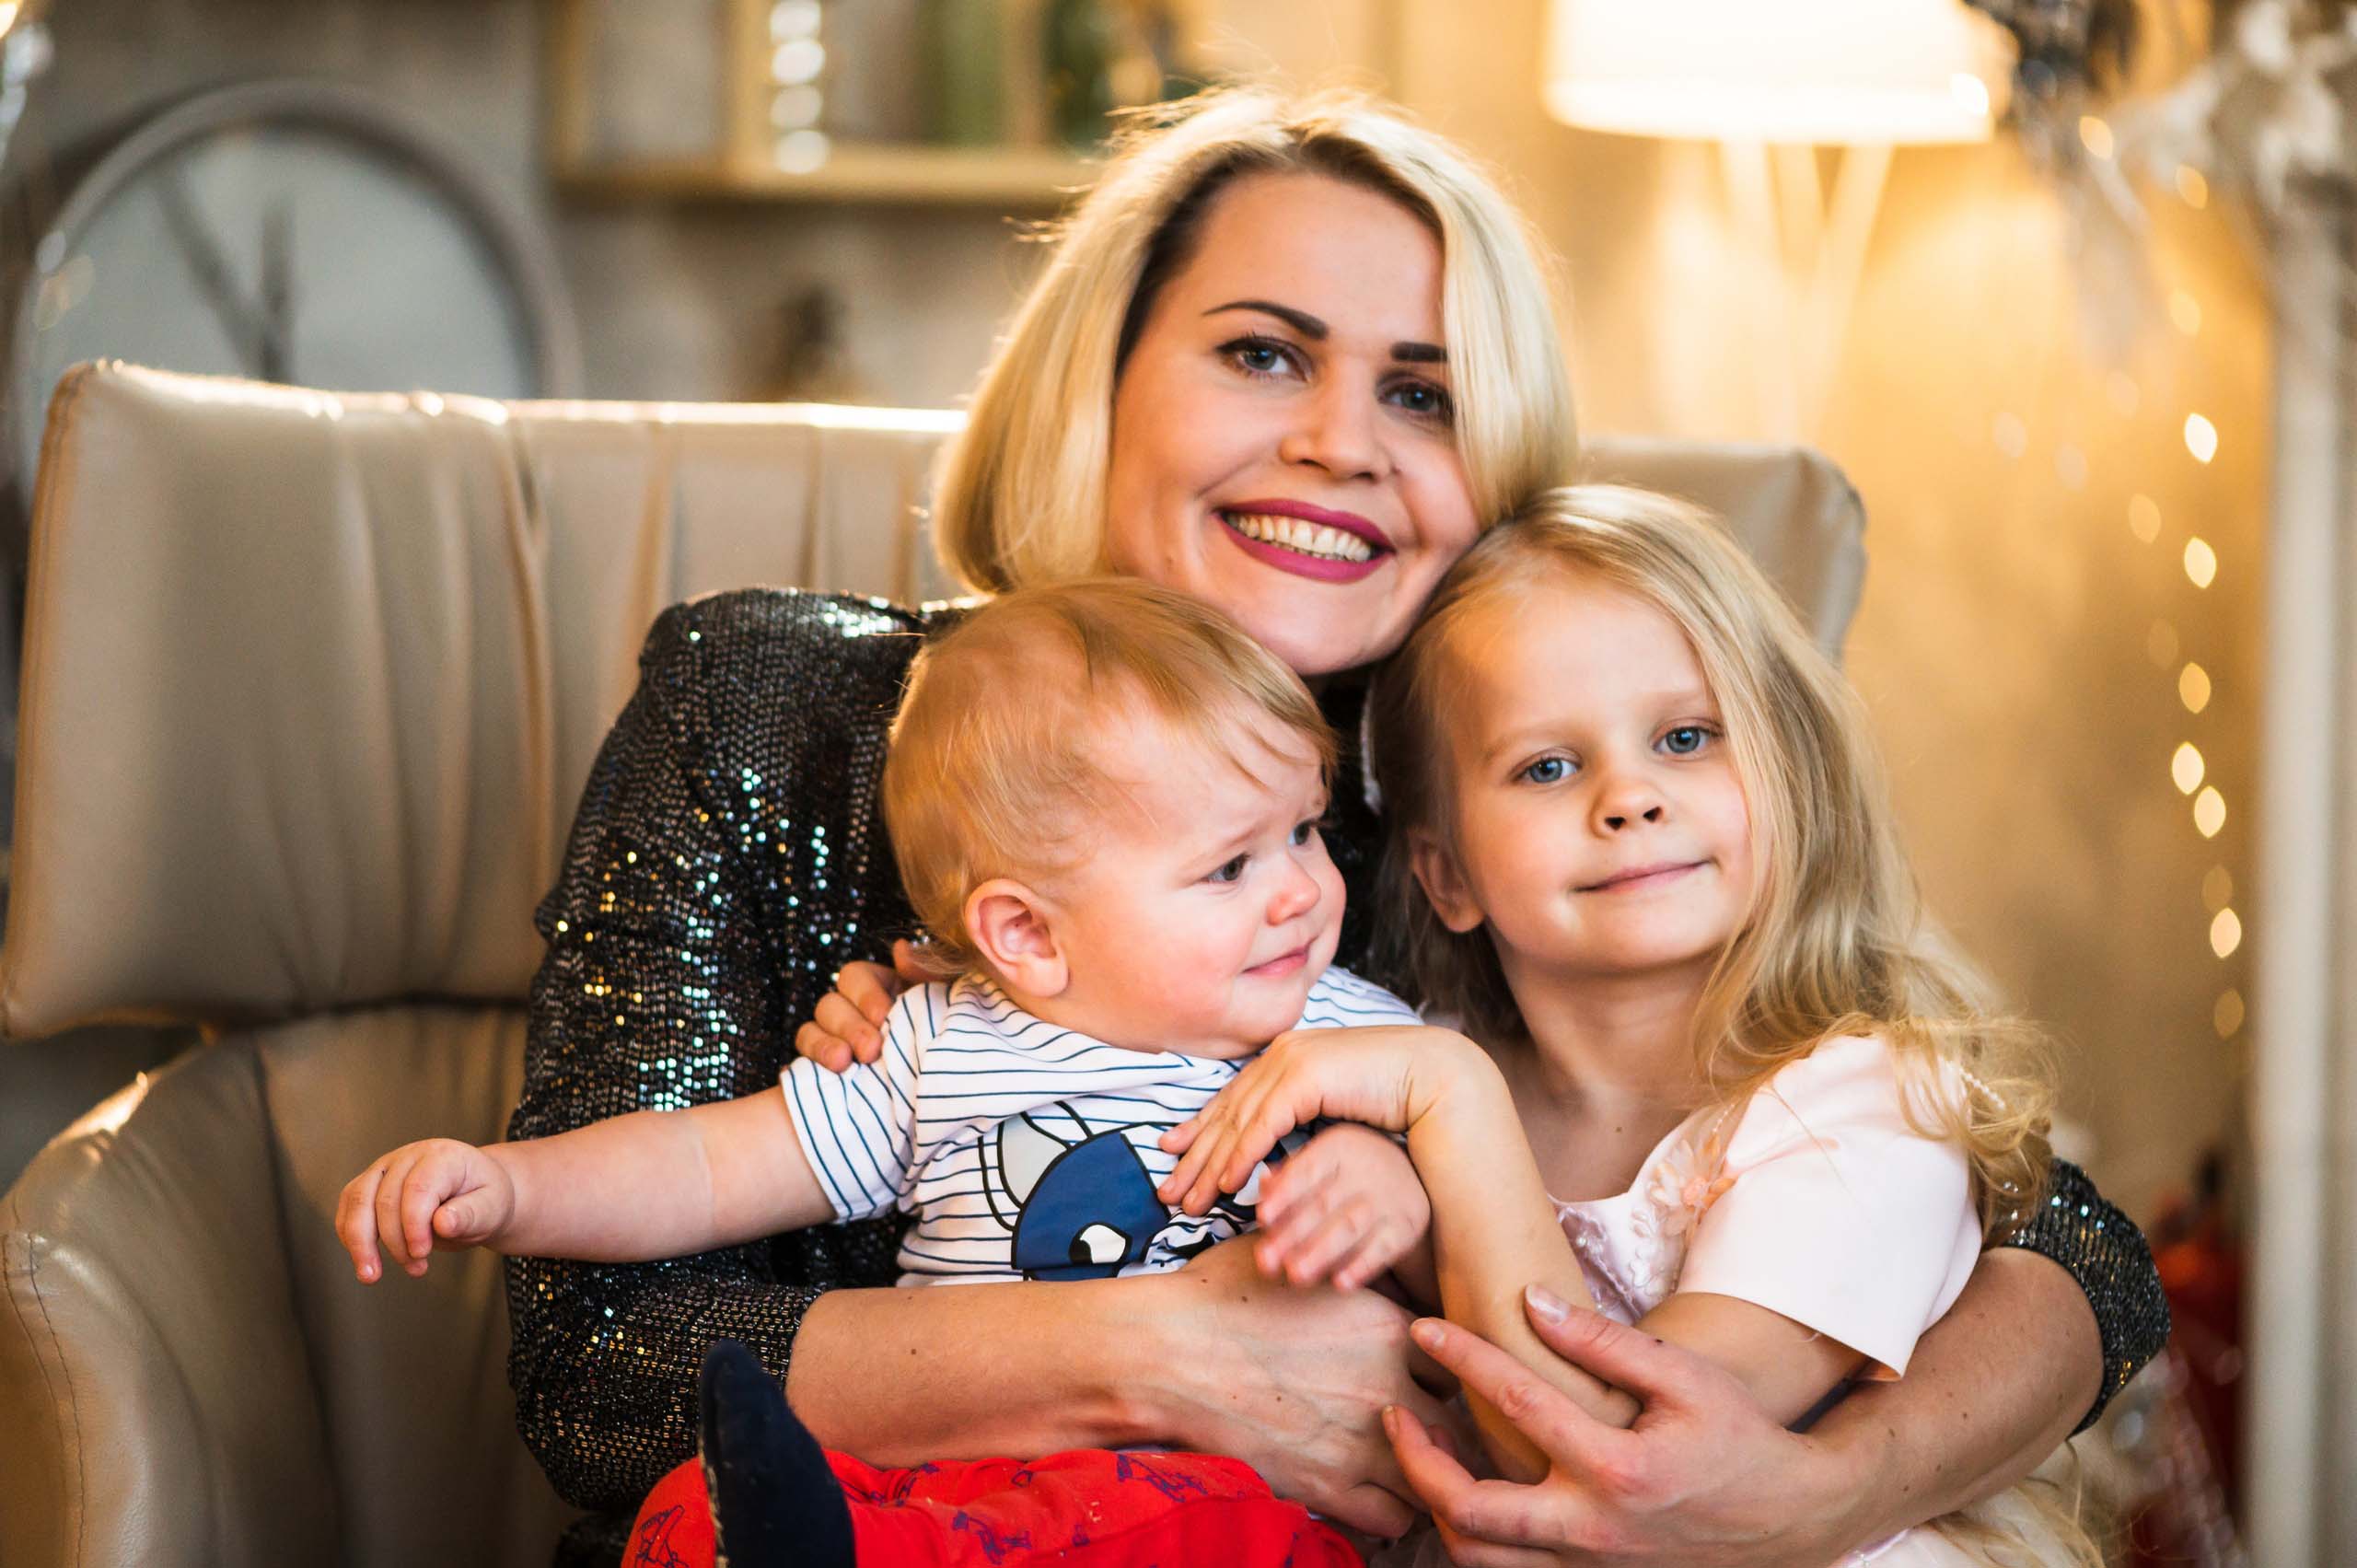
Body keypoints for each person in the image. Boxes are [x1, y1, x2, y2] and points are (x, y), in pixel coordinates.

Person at [517, 86, 2166, 1567]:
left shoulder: (1482, 794)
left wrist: (1832, 1488)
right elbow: (592, 1366)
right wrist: (1159, 1352)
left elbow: (2057, 1233)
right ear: (1104, 374)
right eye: (1264, 353)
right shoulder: (777, 709)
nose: (1339, 442)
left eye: (1425, 394)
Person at [343, 581, 1434, 1567]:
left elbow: (1467, 1214)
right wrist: (513, 1185)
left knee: (1229, 1532)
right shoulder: (932, 1044)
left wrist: (1393, 1192)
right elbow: (704, 1165)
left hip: (1209, 1507)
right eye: (1231, 864)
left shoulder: (1354, 1035)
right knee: (689, 1505)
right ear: (1026, 934)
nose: (1302, 890)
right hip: (962, 1484)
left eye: (1304, 829)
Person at [1157, 486, 2098, 1566]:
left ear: (1784, 776)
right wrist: (1381, 1198)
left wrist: (1449, 1102)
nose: (1629, 796)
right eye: (1547, 766)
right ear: (1447, 873)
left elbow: (1616, 1468)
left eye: (1685, 737)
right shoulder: (1410, 1055)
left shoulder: (1863, 1103)